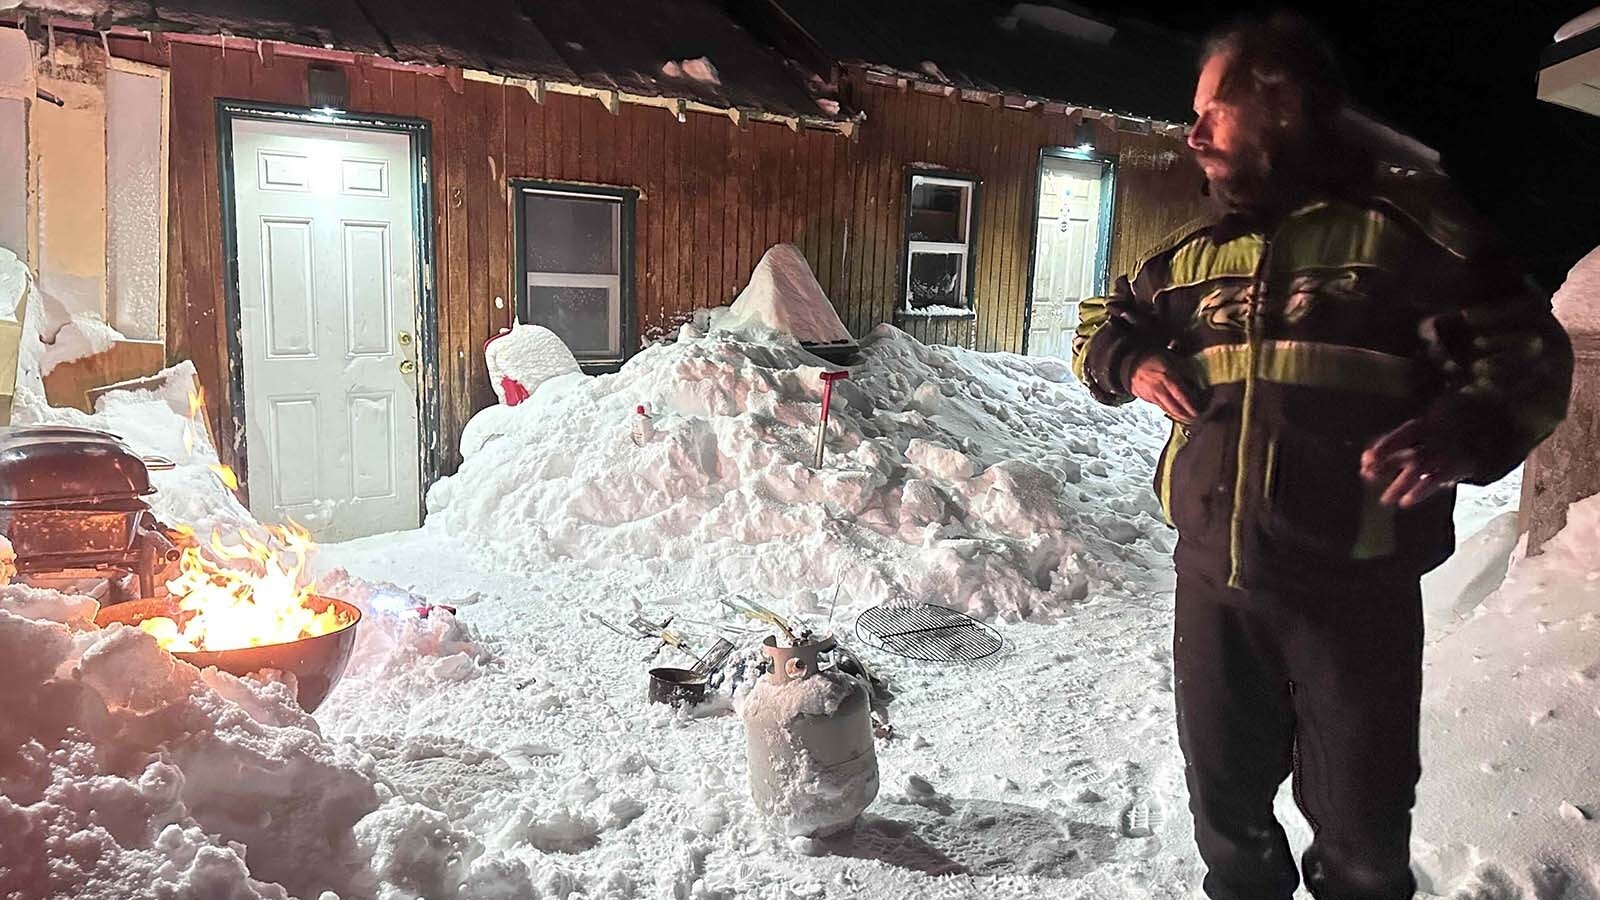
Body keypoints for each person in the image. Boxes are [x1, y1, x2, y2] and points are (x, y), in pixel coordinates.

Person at [1071, 13, 1572, 900]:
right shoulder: (1192, 261)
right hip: (1215, 592)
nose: (1191, 134)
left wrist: (1464, 434)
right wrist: (1131, 361)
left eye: (1212, 112)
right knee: (1227, 824)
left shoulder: (1406, 232)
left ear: (1283, 105)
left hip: (1356, 601)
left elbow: (1531, 355)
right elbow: (1099, 324)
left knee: (1364, 837)